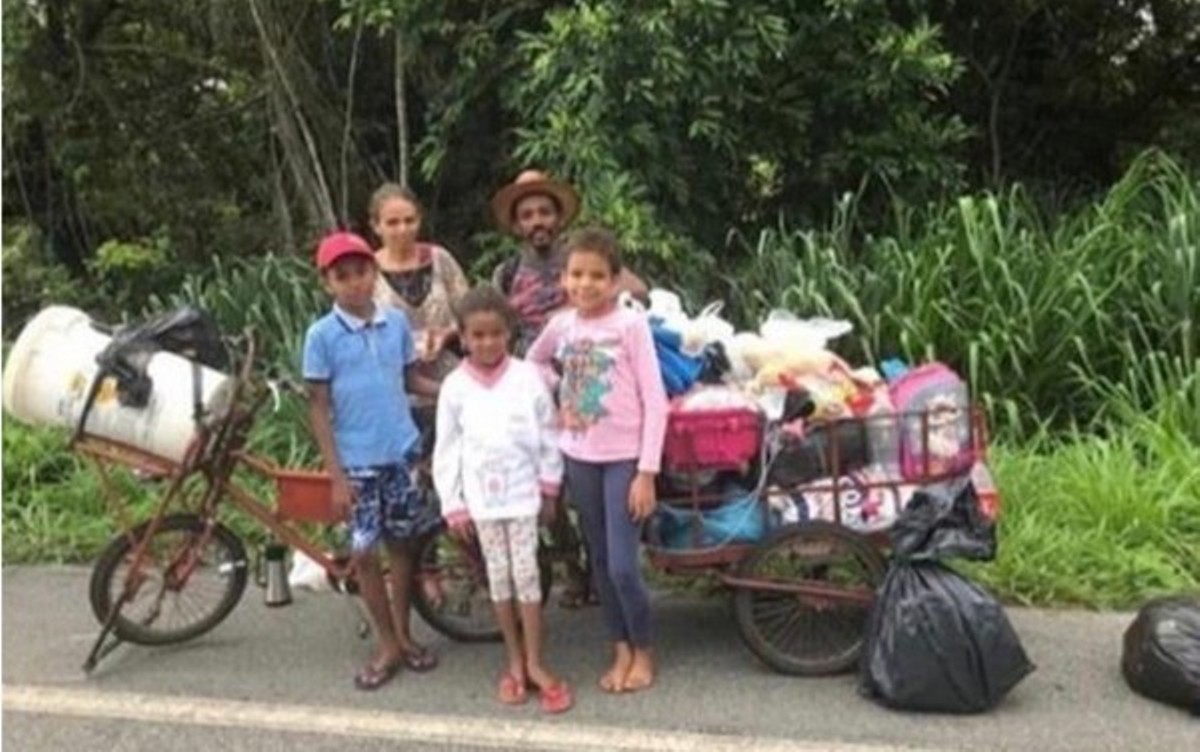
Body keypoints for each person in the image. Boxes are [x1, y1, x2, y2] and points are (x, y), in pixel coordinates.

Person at [489, 169, 647, 610]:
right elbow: (492, 322)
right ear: (517, 225)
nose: (537, 221)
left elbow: (638, 289)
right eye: (527, 215)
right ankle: (573, 566)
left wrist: (578, 305)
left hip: (593, 386)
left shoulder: (581, 259)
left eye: (544, 211)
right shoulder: (507, 273)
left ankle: (606, 574)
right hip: (535, 387)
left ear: (558, 217)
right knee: (546, 480)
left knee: (589, 486)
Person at [526, 226, 669, 694]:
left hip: (624, 459)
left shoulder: (630, 325)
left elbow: (656, 400)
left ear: (615, 280)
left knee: (624, 565)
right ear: (564, 277)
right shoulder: (562, 325)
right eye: (575, 274)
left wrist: (646, 472)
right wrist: (556, 390)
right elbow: (535, 361)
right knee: (601, 561)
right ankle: (619, 647)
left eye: (596, 276)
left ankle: (643, 649)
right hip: (578, 456)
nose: (584, 285)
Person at [302, 230, 442, 691]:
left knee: (403, 548)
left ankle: (403, 635)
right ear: (328, 283)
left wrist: (459, 391)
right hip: (357, 462)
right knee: (364, 553)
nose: (354, 283)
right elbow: (318, 407)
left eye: (361, 272)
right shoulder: (321, 336)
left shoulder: (395, 324)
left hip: (401, 452)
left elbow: (412, 380)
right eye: (342, 276)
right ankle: (385, 643)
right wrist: (335, 475)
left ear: (372, 273)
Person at [432, 285, 574, 714]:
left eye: (495, 334)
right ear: (462, 337)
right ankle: (512, 660)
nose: (487, 343)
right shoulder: (454, 387)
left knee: (528, 575)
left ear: (509, 333)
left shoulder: (527, 377)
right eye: (477, 336)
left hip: (523, 495)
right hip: (482, 501)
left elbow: (549, 433)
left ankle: (535, 662)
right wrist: (452, 503)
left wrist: (550, 486)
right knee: (498, 577)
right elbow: (447, 448)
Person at [370, 183, 470, 390]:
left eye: (409, 221)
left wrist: (445, 334)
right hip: (395, 383)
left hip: (451, 376)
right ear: (376, 226)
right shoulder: (368, 271)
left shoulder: (440, 259)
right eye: (392, 223)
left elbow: (470, 314)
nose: (403, 229)